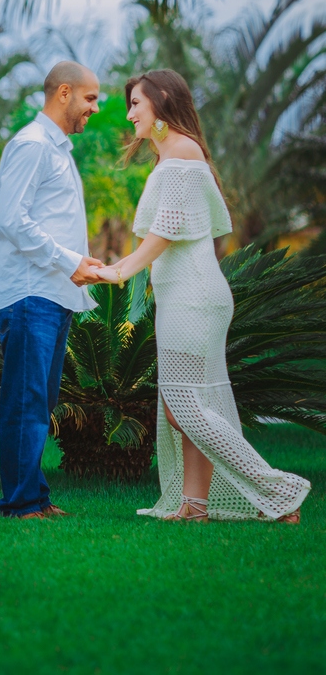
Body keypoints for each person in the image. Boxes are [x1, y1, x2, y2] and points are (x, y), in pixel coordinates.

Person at [92, 69, 310, 523]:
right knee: (190, 406)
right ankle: (194, 506)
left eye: (136, 103)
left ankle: (280, 489)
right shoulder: (173, 155)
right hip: (188, 296)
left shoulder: (181, 155)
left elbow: (165, 232)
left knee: (184, 408)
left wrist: (119, 271)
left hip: (193, 298)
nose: (129, 114)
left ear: (162, 99)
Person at [0, 61, 105, 520]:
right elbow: (12, 221)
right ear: (63, 92)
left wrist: (79, 264)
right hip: (30, 292)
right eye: (90, 98)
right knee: (26, 400)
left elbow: (51, 221)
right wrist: (70, 262)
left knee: (39, 400)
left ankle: (35, 497)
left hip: (51, 293)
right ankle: (20, 504)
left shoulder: (56, 149)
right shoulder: (33, 145)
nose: (95, 108)